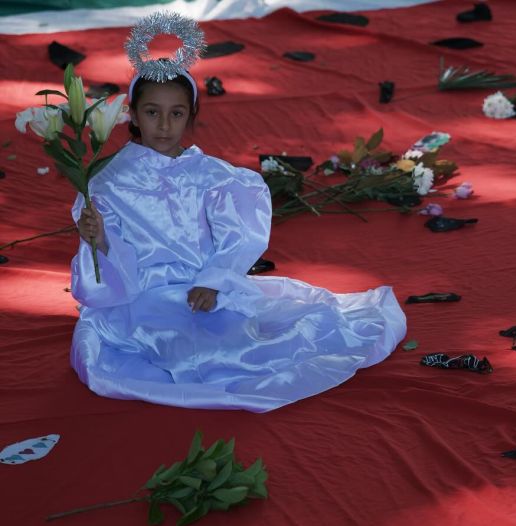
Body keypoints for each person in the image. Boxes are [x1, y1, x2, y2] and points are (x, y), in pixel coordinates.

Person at [71, 68, 407, 412]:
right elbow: (112, 254)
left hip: (203, 288)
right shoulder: (109, 181)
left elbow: (239, 235)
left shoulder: (211, 175)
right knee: (174, 344)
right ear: (133, 113)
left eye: (177, 114)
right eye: (152, 112)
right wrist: (99, 241)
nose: (164, 125)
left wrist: (214, 281)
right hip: (141, 292)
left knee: (240, 344)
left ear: (191, 115)